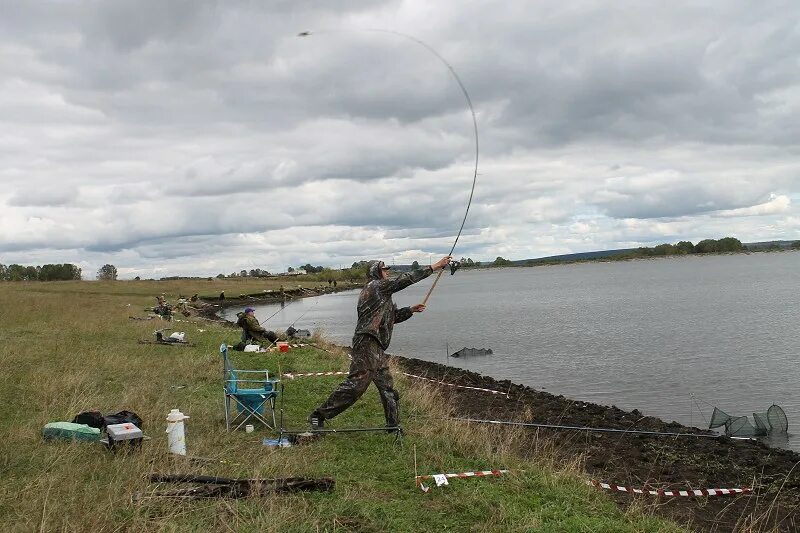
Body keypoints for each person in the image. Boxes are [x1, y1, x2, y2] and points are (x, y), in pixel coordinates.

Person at [308, 255, 451, 431]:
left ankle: (393, 426)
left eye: (388, 270)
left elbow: (391, 318)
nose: (388, 272)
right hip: (367, 342)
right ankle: (318, 415)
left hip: (377, 347)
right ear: (375, 272)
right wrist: (436, 266)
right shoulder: (376, 286)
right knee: (356, 386)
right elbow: (405, 280)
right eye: (384, 269)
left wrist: (410, 310)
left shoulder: (382, 294)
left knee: (387, 388)